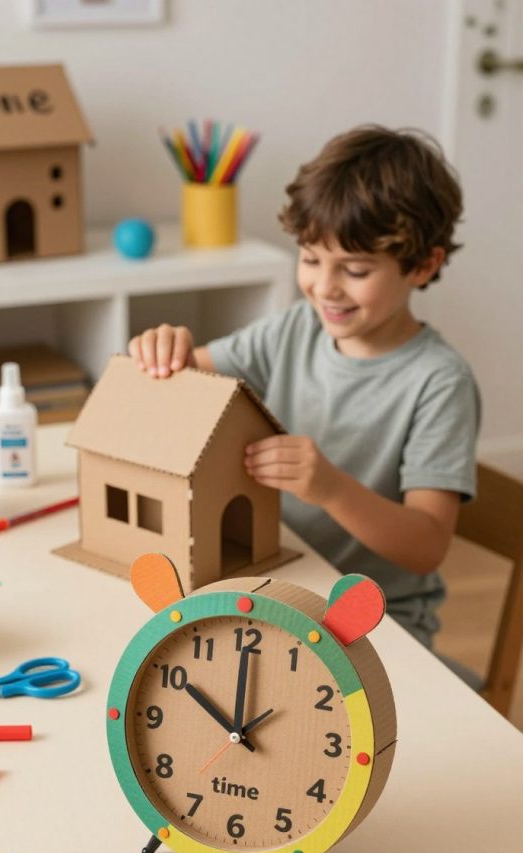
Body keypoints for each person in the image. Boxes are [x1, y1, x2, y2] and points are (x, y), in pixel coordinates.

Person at [129, 125, 481, 656]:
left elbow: (427, 546)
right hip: (281, 586)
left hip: (373, 623)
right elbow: (183, 378)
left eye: (356, 269)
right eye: (311, 259)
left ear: (424, 265)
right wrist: (165, 350)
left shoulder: (439, 383)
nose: (325, 287)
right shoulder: (296, 328)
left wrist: (331, 489)